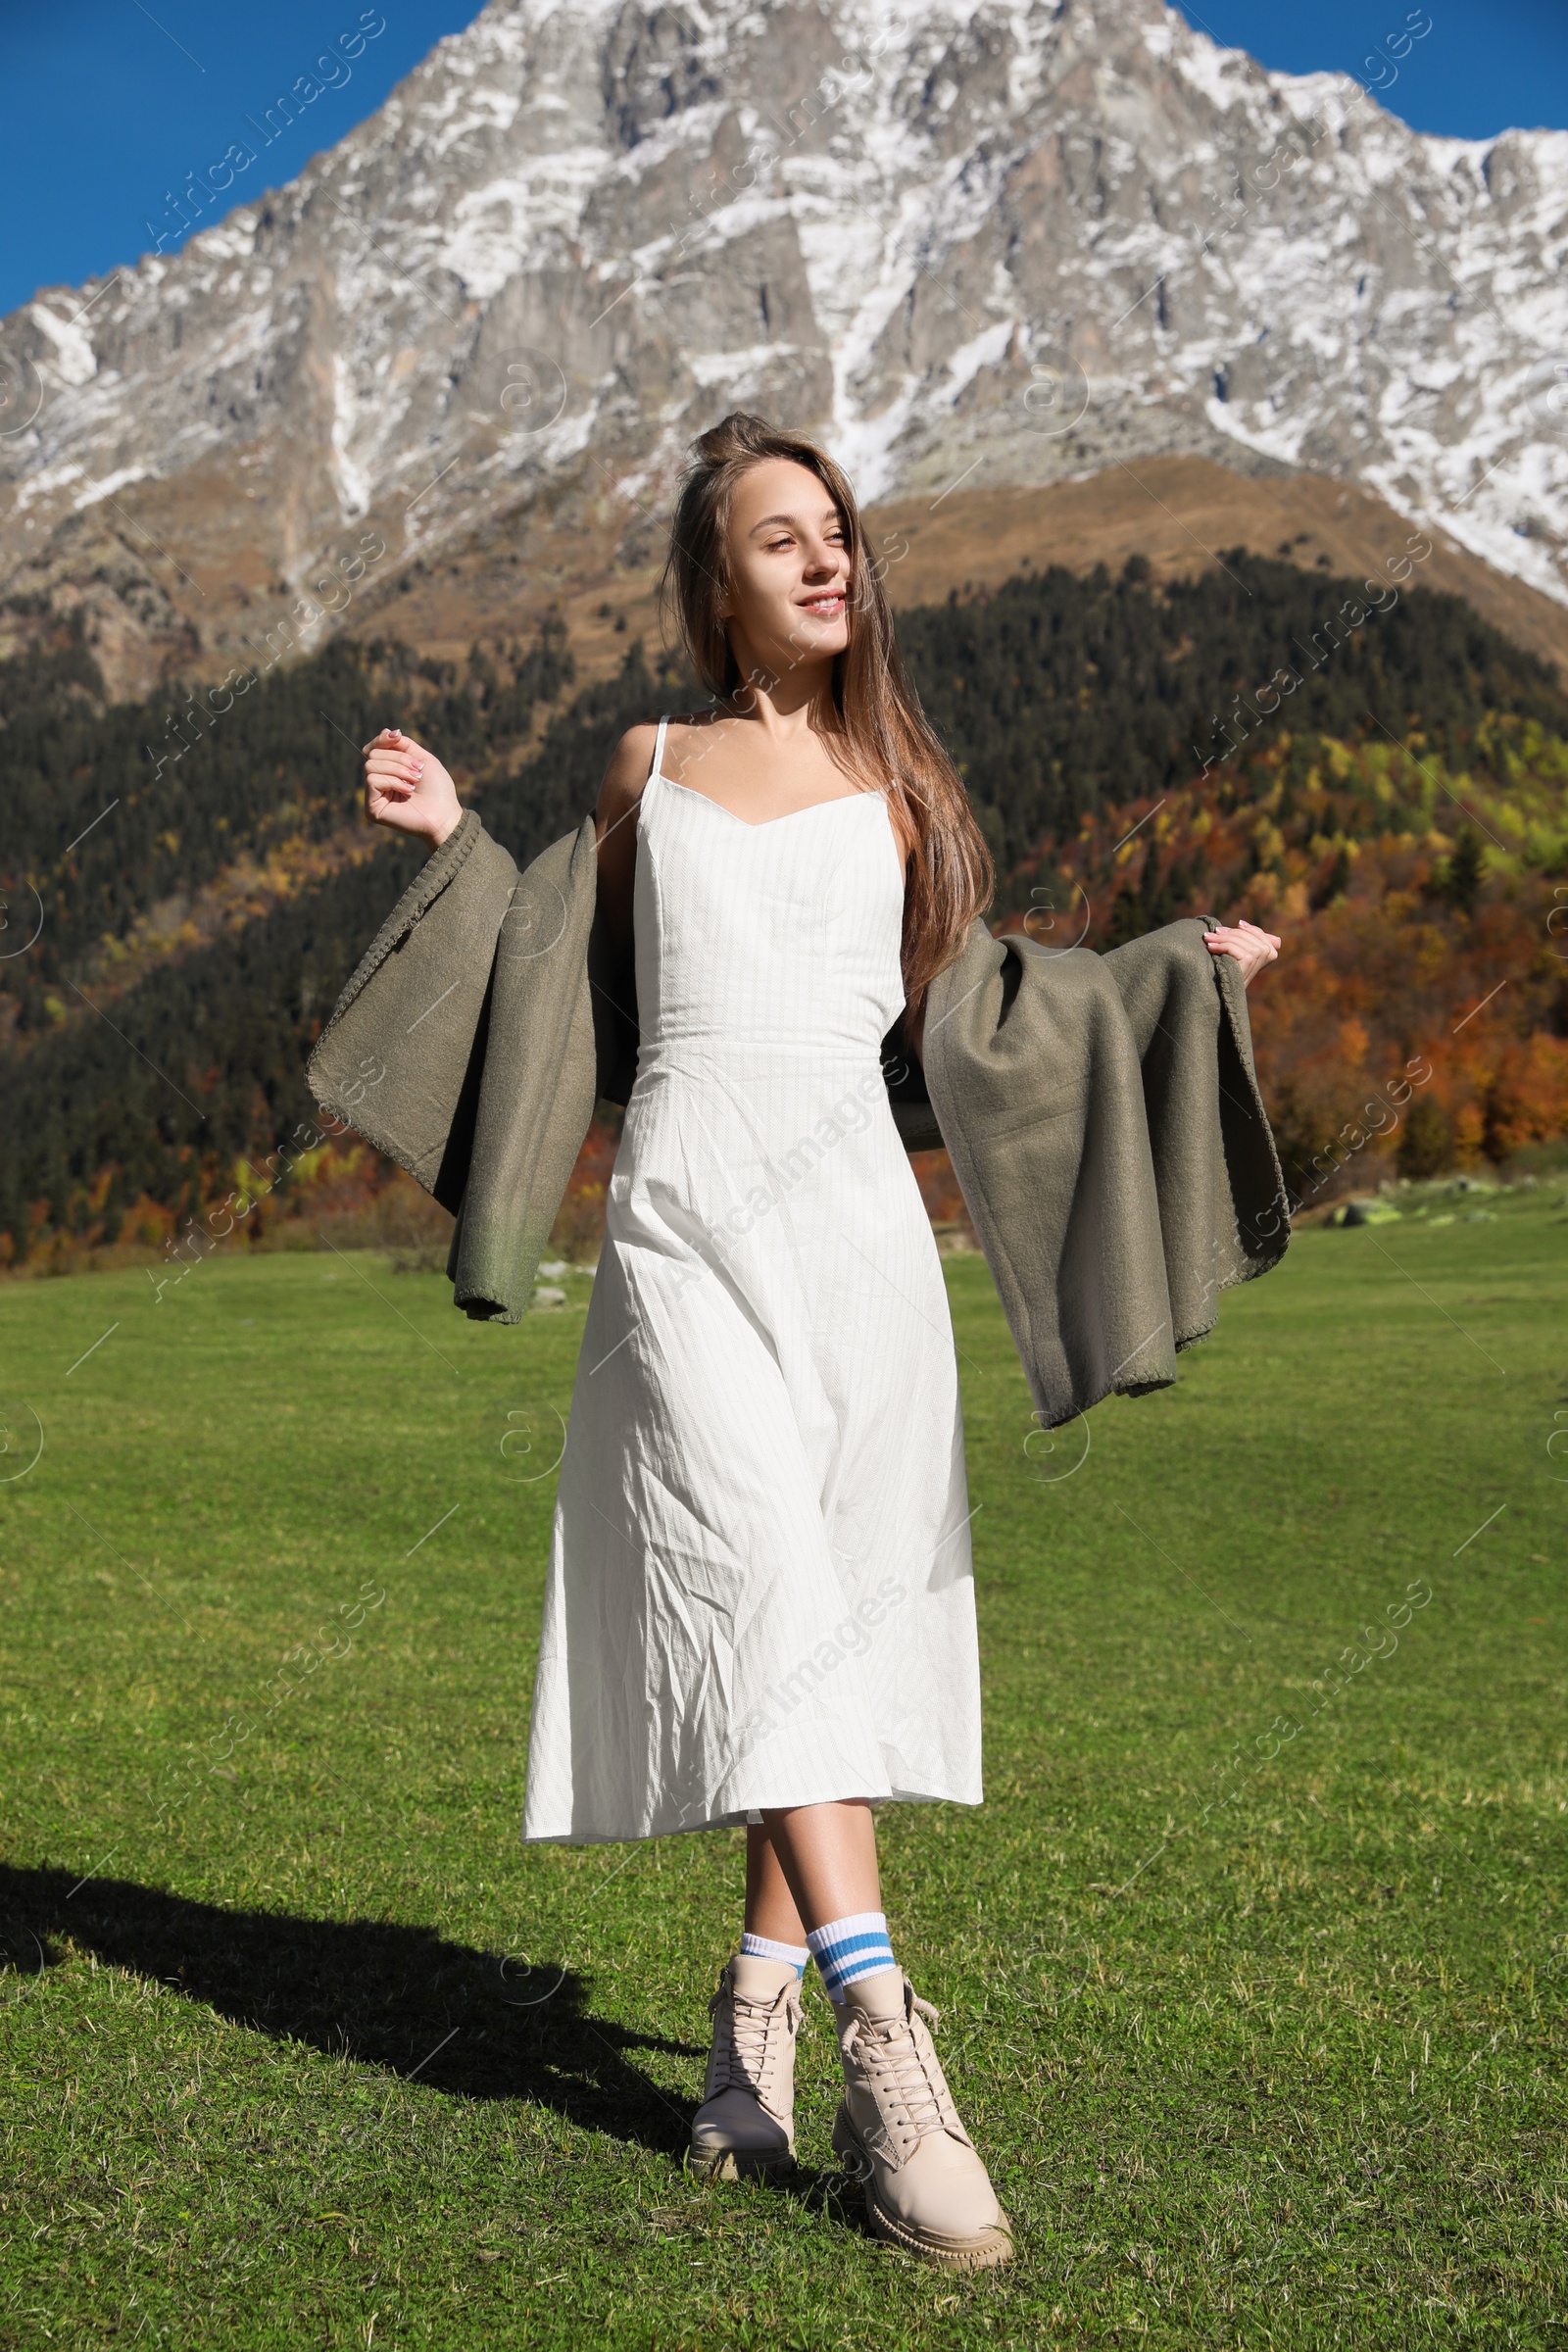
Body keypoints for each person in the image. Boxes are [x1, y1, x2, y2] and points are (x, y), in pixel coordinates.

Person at [357, 412, 1280, 2270]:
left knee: (823, 1630)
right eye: (782, 537)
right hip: (684, 1216)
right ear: (721, 581)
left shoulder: (901, 790)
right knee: (759, 1583)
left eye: (838, 530)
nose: (826, 558)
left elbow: (1001, 1021)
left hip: (863, 1241)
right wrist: (460, 837)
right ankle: (889, 2043)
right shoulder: (650, 765)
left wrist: (1186, 973)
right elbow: (559, 981)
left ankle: (749, 2020)